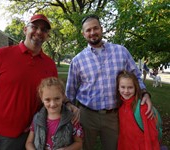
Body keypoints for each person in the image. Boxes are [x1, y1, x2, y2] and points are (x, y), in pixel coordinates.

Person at [0, 14, 79, 150]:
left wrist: (69, 103)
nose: (39, 32)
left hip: (38, 132)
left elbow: (55, 93)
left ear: (47, 35)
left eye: (44, 30)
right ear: (25, 29)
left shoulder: (49, 64)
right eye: (34, 27)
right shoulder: (1, 55)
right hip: (7, 135)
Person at [65, 14, 153, 150]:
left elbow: (136, 76)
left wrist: (145, 93)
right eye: (88, 30)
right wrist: (68, 111)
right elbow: (70, 92)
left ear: (101, 29)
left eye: (95, 28)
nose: (92, 32)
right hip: (87, 116)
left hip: (113, 115)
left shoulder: (121, 52)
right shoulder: (77, 60)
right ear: (83, 34)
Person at [26, 77, 83, 150]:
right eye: (47, 100)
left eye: (57, 98)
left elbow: (79, 143)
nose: (52, 104)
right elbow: (29, 142)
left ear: (63, 96)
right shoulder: (37, 118)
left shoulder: (72, 118)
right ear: (41, 98)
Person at [116, 70, 160, 150]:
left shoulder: (143, 108)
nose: (126, 91)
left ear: (136, 88)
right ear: (118, 88)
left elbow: (151, 136)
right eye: (123, 87)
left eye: (130, 87)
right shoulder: (120, 106)